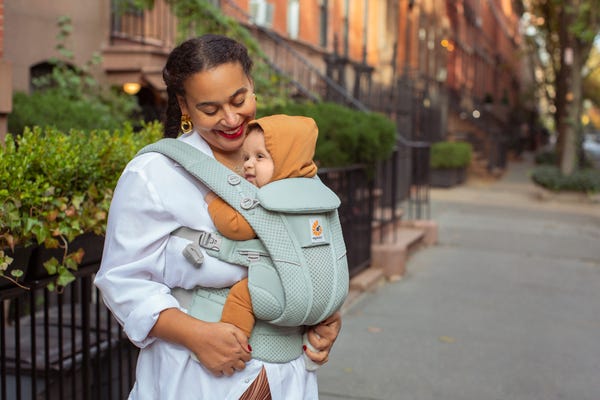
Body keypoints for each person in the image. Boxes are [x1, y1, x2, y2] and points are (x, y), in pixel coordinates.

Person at [94, 34, 341, 400]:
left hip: (287, 374)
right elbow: (122, 281)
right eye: (210, 109)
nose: (230, 119)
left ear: (251, 86)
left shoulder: (284, 160)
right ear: (184, 105)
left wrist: (323, 316)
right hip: (197, 374)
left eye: (239, 100)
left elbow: (313, 250)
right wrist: (195, 334)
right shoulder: (153, 173)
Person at [207, 114, 320, 338]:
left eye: (260, 157)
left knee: (243, 293)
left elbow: (238, 227)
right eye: (246, 156)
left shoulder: (275, 198)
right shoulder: (311, 191)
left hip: (283, 279)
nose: (248, 164)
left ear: (287, 159)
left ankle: (235, 337)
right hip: (311, 280)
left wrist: (215, 202)